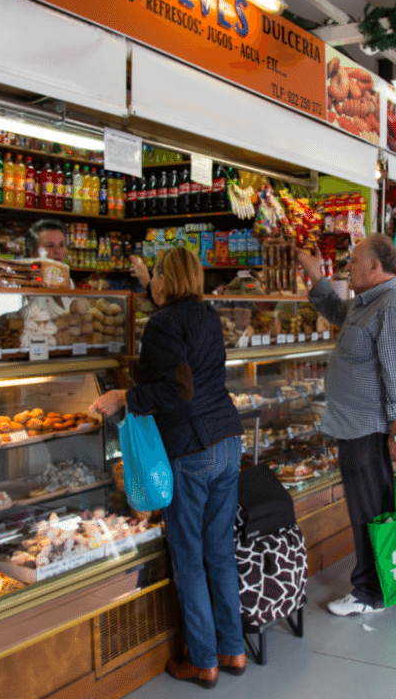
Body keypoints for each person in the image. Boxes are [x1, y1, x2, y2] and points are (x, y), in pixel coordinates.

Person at [88, 247, 246, 688]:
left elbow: (178, 389)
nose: (152, 280)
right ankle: (232, 650)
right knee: (219, 551)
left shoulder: (162, 324)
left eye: (155, 274)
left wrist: (126, 398)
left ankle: (202, 660)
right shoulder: (206, 315)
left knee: (189, 558)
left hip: (191, 448)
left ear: (166, 281)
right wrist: (143, 284)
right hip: (227, 440)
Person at [295, 234, 396, 616]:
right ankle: (378, 583)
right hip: (353, 427)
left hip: (370, 430)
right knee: (367, 509)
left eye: (354, 259)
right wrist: (315, 274)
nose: (348, 264)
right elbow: (334, 310)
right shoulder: (367, 304)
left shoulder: (392, 308)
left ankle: (370, 593)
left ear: (374, 267)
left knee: (371, 511)